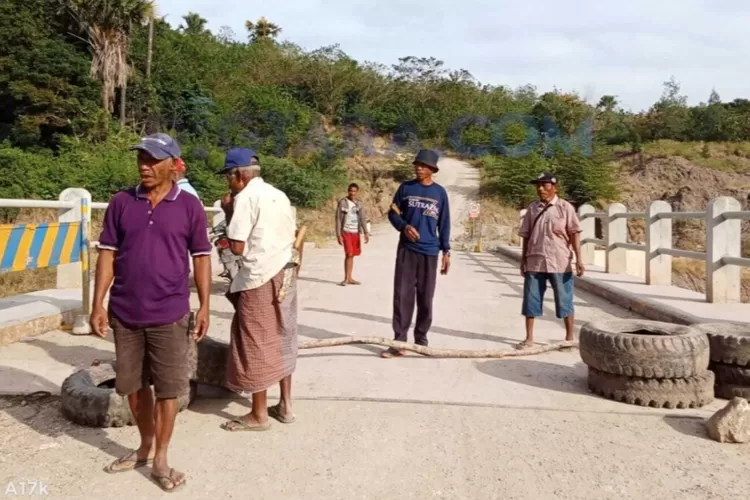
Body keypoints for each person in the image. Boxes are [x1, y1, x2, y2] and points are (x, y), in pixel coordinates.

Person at [90, 132, 212, 492]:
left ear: (173, 165)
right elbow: (107, 254)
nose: (144, 166)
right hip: (125, 311)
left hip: (170, 313)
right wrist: (97, 303)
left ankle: (161, 455)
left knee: (169, 389)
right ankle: (143, 446)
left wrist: (205, 305)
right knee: (133, 386)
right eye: (140, 158)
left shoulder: (190, 206)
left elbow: (201, 257)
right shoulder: (121, 202)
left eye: (153, 159)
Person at [217, 148, 299, 431]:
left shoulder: (245, 198)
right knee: (283, 334)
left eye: (228, 176)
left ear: (237, 175)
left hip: (260, 276)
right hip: (286, 270)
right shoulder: (279, 194)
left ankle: (259, 413)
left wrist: (228, 213)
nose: (228, 183)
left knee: (254, 339)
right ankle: (285, 404)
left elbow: (237, 246)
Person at [381, 149, 451, 358]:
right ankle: (399, 341)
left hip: (430, 251)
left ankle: (421, 340)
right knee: (402, 295)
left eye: (423, 166)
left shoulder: (440, 193)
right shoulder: (406, 188)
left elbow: (444, 223)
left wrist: (446, 250)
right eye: (417, 165)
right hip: (407, 250)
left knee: (425, 297)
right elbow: (392, 213)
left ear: (432, 169)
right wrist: (403, 226)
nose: (419, 168)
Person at [517, 172, 584, 349]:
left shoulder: (565, 207)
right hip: (535, 260)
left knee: (564, 298)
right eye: (538, 185)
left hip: (560, 261)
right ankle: (529, 338)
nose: (541, 189)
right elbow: (525, 235)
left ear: (555, 187)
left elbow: (574, 233)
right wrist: (523, 260)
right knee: (531, 299)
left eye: (545, 185)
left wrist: (579, 259)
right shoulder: (533, 208)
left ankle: (569, 338)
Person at [335, 182, 369, 286]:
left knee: (352, 255)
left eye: (354, 191)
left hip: (356, 232)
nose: (352, 193)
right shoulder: (343, 202)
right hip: (346, 231)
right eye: (350, 191)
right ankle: (346, 278)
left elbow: (363, 218)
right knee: (349, 254)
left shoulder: (359, 203)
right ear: (348, 191)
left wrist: (366, 232)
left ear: (357, 192)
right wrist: (338, 234)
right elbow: (338, 219)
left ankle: (350, 277)